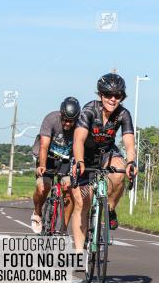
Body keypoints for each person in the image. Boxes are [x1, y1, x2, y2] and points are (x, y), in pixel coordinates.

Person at [70, 73, 137, 248]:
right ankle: (78, 251)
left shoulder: (123, 114)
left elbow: (129, 143)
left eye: (117, 96)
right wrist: (79, 161)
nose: (113, 99)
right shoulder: (89, 110)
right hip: (85, 155)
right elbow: (78, 140)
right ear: (100, 95)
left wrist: (131, 162)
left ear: (122, 97)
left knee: (120, 170)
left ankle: (111, 209)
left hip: (107, 153)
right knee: (81, 202)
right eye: (108, 95)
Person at [32, 97, 81, 236]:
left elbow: (80, 147)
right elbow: (44, 146)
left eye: (71, 121)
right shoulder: (51, 119)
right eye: (65, 119)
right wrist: (42, 165)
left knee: (69, 192)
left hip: (66, 160)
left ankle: (64, 227)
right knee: (43, 187)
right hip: (48, 158)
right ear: (61, 114)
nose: (67, 123)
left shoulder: (80, 125)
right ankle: (37, 212)